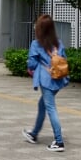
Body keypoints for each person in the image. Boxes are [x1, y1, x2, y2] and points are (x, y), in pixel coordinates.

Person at [22, 14, 69, 152]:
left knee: (51, 108)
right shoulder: (59, 43)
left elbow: (31, 64)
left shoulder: (36, 44)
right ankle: (34, 134)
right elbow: (64, 59)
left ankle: (59, 142)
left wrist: (31, 65)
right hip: (58, 79)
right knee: (42, 105)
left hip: (46, 79)